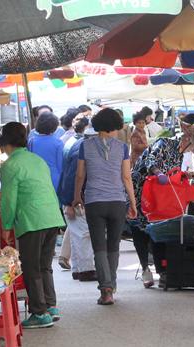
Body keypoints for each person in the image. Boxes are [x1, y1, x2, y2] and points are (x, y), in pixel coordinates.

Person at [0, 122, 65, 328]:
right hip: (52, 216)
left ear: (7, 144)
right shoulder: (37, 159)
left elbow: (8, 199)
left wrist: (6, 227)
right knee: (44, 267)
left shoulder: (10, 165)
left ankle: (40, 313)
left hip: (31, 219)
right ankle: (50, 307)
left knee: (31, 268)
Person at [129, 114, 194, 288]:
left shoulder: (181, 153)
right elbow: (152, 160)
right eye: (193, 147)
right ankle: (145, 269)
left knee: (160, 227)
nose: (193, 151)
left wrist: (183, 176)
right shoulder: (164, 142)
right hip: (139, 191)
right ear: (187, 140)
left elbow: (173, 172)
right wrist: (158, 172)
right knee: (139, 229)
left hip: (159, 194)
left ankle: (162, 271)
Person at [72, 108, 138, 305]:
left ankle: (105, 289)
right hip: (117, 202)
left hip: (94, 202)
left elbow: (80, 176)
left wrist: (76, 197)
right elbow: (126, 177)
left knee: (99, 247)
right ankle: (112, 283)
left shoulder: (86, 145)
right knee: (113, 246)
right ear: (116, 127)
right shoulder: (122, 147)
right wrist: (132, 202)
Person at [56, 119, 97, 281]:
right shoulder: (83, 146)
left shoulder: (74, 141)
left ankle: (79, 269)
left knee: (77, 234)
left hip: (68, 197)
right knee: (83, 234)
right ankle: (86, 270)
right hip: (74, 198)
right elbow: (74, 176)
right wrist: (73, 200)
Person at [28, 112, 64, 191]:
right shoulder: (58, 142)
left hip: (35, 178)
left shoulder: (30, 141)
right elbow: (60, 166)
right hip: (54, 179)